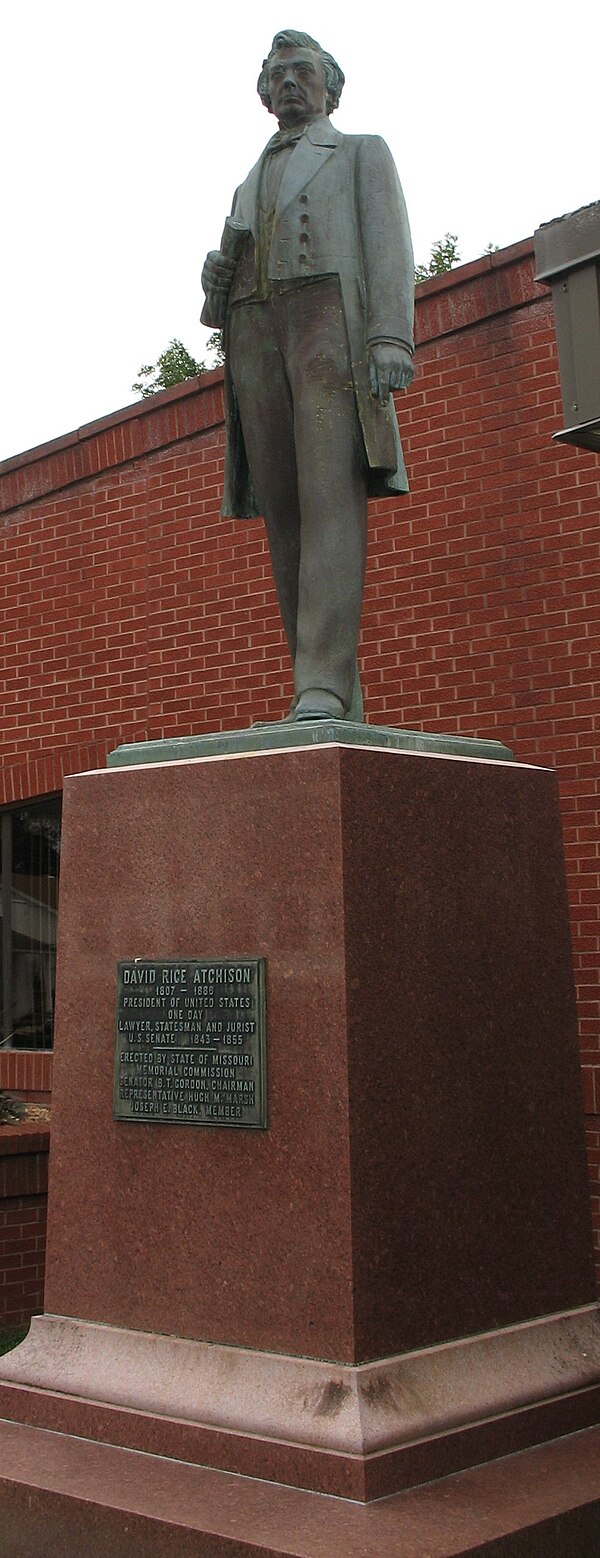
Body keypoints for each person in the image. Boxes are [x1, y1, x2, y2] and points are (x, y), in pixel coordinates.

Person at [201, 29, 414, 722]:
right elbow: (219, 297)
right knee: (285, 512)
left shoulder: (359, 153)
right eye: (278, 74)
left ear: (330, 85)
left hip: (327, 321)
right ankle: (318, 689)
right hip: (254, 330)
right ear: (265, 93)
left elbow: (389, 243)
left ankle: (321, 683)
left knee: (328, 500)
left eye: (303, 71)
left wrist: (390, 336)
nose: (289, 82)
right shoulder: (246, 179)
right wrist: (211, 281)